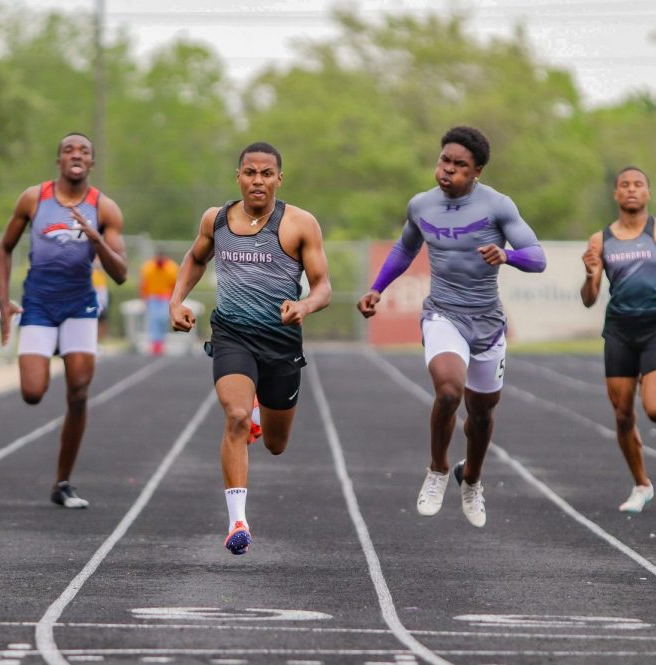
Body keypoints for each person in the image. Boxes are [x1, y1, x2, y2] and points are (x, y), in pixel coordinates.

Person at [357, 126, 546, 528]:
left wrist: (507, 256)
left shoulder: (498, 206)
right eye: (444, 161)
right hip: (443, 313)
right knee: (447, 390)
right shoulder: (421, 205)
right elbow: (404, 249)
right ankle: (438, 469)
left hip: (488, 322)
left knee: (481, 414)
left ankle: (472, 478)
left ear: (477, 170)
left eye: (459, 165)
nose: (447, 170)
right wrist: (376, 288)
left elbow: (537, 257)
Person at [170, 141, 331, 555]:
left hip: (280, 341)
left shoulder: (299, 224)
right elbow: (195, 257)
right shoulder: (217, 219)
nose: (257, 180)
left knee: (276, 445)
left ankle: (262, 413)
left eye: (265, 173)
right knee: (236, 416)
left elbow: (323, 286)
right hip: (232, 335)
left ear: (279, 178)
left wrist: (305, 305)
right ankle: (237, 521)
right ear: (238, 176)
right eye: (249, 172)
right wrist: (176, 300)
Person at [0, 132, 128, 509]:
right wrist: (4, 301)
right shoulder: (33, 198)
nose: (76, 154)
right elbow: (4, 248)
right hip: (38, 304)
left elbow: (120, 274)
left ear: (91, 163)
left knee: (79, 393)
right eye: (69, 149)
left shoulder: (105, 209)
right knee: (33, 393)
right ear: (59, 160)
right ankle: (53, 350)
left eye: (84, 151)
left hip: (79, 306)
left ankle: (62, 481)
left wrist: (96, 241)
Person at [581, 166, 656, 513]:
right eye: (624, 185)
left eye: (638, 185)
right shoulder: (600, 240)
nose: (631, 190)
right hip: (619, 329)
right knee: (622, 416)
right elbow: (589, 298)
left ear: (647, 193)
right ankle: (641, 484)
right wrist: (591, 276)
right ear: (616, 195)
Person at [139, 249, 178, 355]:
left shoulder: (171, 267)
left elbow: (174, 285)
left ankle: (161, 342)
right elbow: (143, 284)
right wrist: (144, 299)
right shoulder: (148, 267)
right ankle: (155, 344)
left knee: (163, 320)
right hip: (152, 298)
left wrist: (174, 299)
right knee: (153, 321)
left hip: (165, 298)